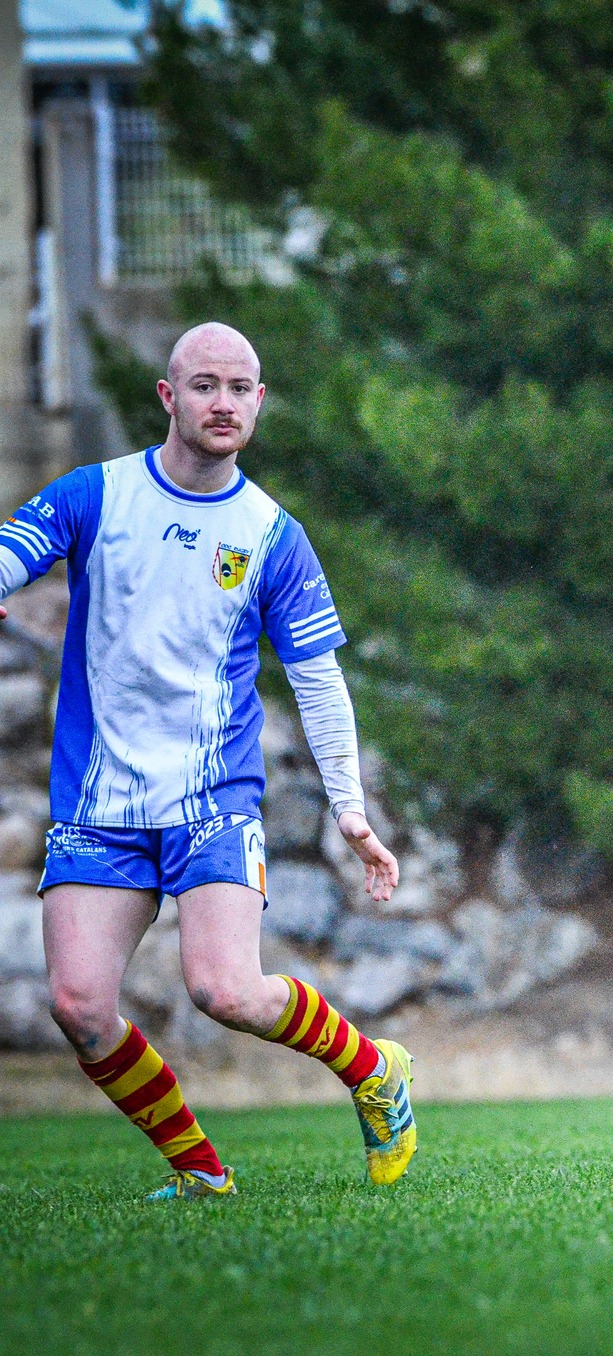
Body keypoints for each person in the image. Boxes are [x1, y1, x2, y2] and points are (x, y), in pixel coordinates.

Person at [1, 322, 418, 1199]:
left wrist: (349, 807)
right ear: (168, 396)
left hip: (212, 800)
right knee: (78, 1007)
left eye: (239, 389)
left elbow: (318, 680)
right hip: (99, 800)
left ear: (258, 402)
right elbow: (12, 552)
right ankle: (201, 1172)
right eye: (204, 386)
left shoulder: (273, 536)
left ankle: (374, 1069)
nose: (222, 403)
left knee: (226, 991)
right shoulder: (97, 495)